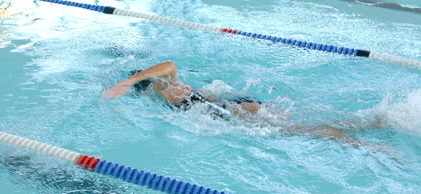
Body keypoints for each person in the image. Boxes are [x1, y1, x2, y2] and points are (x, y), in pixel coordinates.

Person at [102, 61, 384, 145]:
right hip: (237, 104)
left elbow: (168, 65)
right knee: (300, 123)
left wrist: (130, 80)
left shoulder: (162, 88)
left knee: (300, 130)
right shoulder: (169, 91)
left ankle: (364, 143)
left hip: (235, 110)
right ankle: (372, 121)